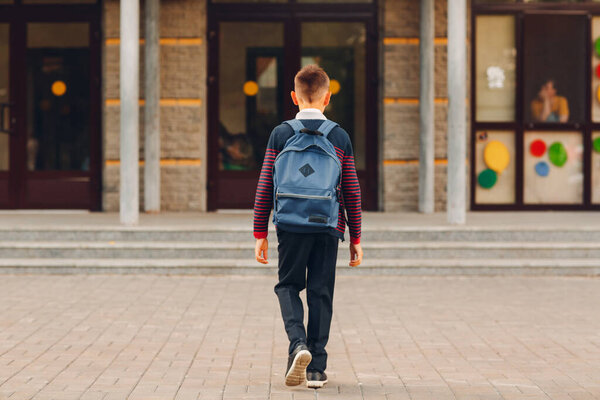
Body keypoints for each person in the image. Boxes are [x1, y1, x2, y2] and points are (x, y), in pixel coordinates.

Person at [252, 64, 363, 389]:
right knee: (320, 292)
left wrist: (260, 232)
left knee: (288, 286)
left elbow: (264, 185)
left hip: (290, 223)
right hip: (328, 224)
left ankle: (297, 344)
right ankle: (316, 368)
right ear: (328, 97)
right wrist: (356, 236)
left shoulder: (281, 133)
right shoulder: (339, 136)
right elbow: (352, 190)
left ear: (293, 97)